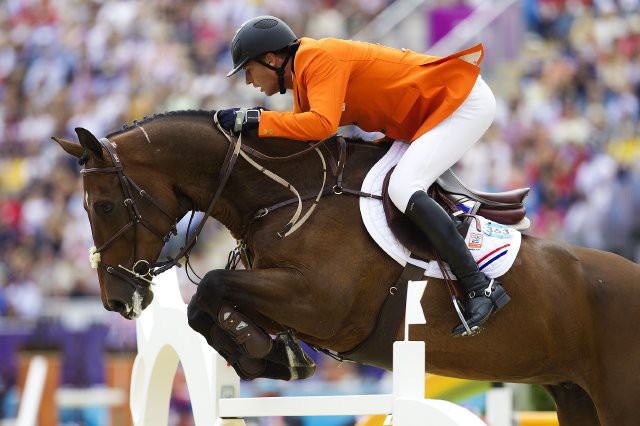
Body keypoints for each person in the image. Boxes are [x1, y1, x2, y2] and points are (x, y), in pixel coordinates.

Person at [217, 15, 510, 337]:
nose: (248, 82)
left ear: (271, 59)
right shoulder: (304, 80)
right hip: (425, 116)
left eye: (248, 70)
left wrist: (259, 120)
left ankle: (478, 285)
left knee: (403, 187)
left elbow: (322, 125)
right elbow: (309, 139)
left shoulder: (316, 57)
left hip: (459, 101)